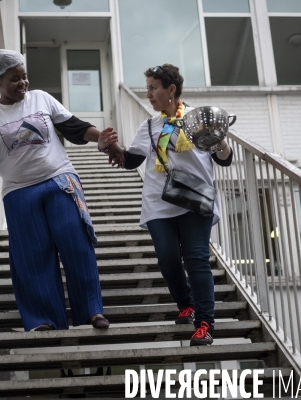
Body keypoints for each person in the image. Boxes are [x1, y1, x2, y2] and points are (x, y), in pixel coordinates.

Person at [0, 49, 125, 331]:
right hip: (18, 192)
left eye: (24, 76)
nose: (22, 83)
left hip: (59, 179)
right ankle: (43, 318)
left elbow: (75, 127)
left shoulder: (41, 98)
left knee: (76, 242)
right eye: (14, 79)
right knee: (32, 255)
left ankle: (91, 310)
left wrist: (101, 138)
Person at [100, 64, 233, 345]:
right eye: (147, 88)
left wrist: (221, 141)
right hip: (159, 202)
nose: (148, 94)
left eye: (153, 88)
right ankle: (185, 303)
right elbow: (132, 161)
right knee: (167, 257)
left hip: (195, 199)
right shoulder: (150, 126)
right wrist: (111, 148)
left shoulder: (199, 120)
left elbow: (224, 159)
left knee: (196, 259)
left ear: (171, 90)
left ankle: (204, 324)